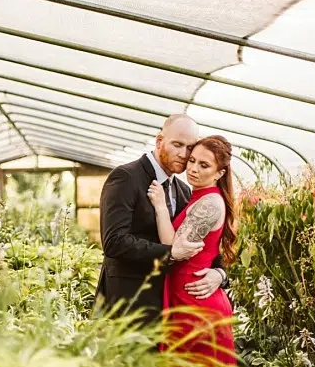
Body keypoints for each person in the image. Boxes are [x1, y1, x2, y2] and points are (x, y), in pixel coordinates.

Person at [94, 114, 228, 323]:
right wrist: (169, 253)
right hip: (128, 305)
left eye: (190, 147)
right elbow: (114, 242)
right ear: (159, 141)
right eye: (177, 144)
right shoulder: (126, 177)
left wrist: (220, 274)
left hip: (169, 306)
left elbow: (201, 240)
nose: (184, 154)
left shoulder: (183, 190)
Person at [147, 134, 240, 367]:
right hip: (185, 297)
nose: (194, 169)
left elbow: (173, 245)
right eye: (193, 161)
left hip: (197, 305)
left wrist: (160, 207)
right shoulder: (196, 195)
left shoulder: (210, 202)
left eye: (204, 165)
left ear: (220, 173)